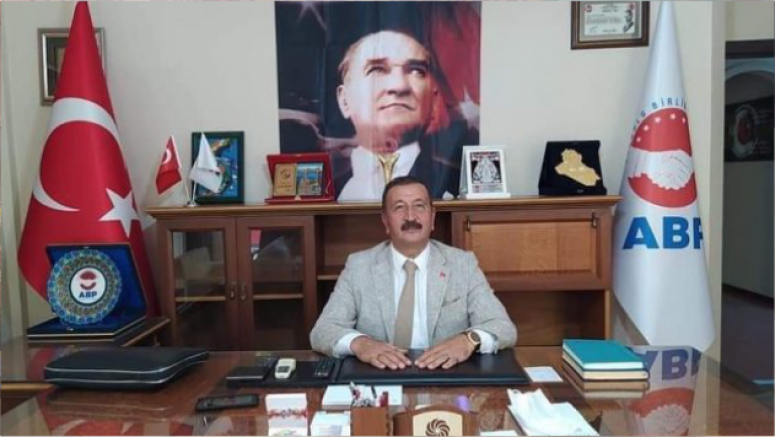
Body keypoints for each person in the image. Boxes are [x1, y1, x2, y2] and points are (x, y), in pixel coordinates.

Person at [310, 176, 517, 370]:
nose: (410, 216)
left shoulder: (462, 264)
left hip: (446, 374)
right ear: (385, 220)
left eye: (419, 206)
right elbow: (322, 331)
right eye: (399, 207)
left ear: (432, 217)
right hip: (378, 375)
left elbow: (503, 327)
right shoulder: (359, 266)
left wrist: (468, 340)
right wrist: (360, 343)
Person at [335, 30, 466, 201]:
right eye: (376, 70)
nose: (399, 86)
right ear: (345, 101)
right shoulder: (332, 189)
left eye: (416, 71)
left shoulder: (455, 185)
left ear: (434, 102)